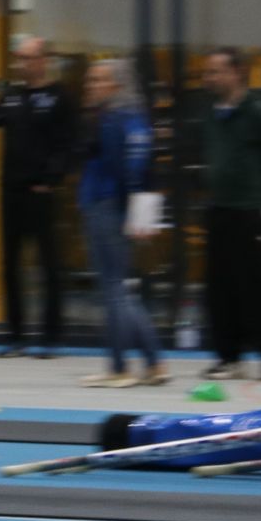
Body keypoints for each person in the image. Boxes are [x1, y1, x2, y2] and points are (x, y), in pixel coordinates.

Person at [0, 36, 75, 357]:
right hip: (11, 192)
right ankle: (16, 337)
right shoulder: (12, 97)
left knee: (48, 265)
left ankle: (50, 338)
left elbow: (67, 144)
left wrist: (50, 180)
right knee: (10, 265)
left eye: (28, 58)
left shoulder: (59, 97)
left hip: (40, 193)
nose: (21, 64)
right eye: (19, 59)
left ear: (43, 60)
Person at [76, 58, 167, 388]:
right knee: (121, 289)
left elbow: (123, 168)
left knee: (113, 289)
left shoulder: (112, 119)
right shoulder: (134, 118)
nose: (91, 86)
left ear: (116, 84)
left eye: (99, 80)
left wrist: (130, 208)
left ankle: (119, 367)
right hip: (117, 205)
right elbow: (142, 167)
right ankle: (154, 363)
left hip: (105, 204)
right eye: (90, 80)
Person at [201, 47, 261, 380]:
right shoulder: (212, 114)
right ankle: (229, 357)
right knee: (219, 287)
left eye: (216, 71)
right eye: (207, 72)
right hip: (219, 208)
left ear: (237, 72)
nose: (209, 78)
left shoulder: (258, 111)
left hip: (250, 210)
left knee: (254, 285)